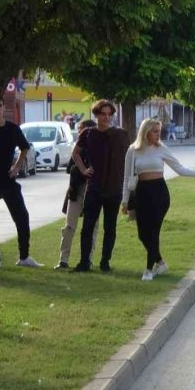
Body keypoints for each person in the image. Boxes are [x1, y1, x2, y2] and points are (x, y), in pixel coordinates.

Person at [122, 119, 195, 281]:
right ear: (145, 132)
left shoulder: (162, 149)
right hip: (142, 193)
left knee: (154, 231)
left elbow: (179, 168)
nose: (158, 134)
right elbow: (126, 178)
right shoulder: (133, 150)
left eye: (160, 131)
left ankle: (148, 270)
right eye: (155, 131)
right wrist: (124, 202)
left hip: (159, 193)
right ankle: (160, 262)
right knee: (142, 234)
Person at [0, 99, 43, 270]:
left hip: (8, 180)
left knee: (22, 217)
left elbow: (25, 147)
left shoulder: (12, 129)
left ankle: (24, 256)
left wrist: (17, 166)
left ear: (3, 107)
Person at [70, 100, 130, 273]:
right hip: (94, 186)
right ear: (96, 115)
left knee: (110, 227)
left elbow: (130, 156)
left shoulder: (120, 134)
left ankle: (105, 262)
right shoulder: (88, 133)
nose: (106, 117)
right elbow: (75, 153)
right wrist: (83, 169)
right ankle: (84, 262)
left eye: (109, 114)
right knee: (87, 226)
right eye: (103, 114)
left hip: (114, 187)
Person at [57, 119, 99, 270]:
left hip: (94, 191)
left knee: (92, 227)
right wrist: (82, 167)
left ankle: (88, 259)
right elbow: (70, 168)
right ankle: (63, 259)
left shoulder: (99, 148)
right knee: (69, 225)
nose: (80, 133)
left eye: (82, 129)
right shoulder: (79, 150)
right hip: (77, 190)